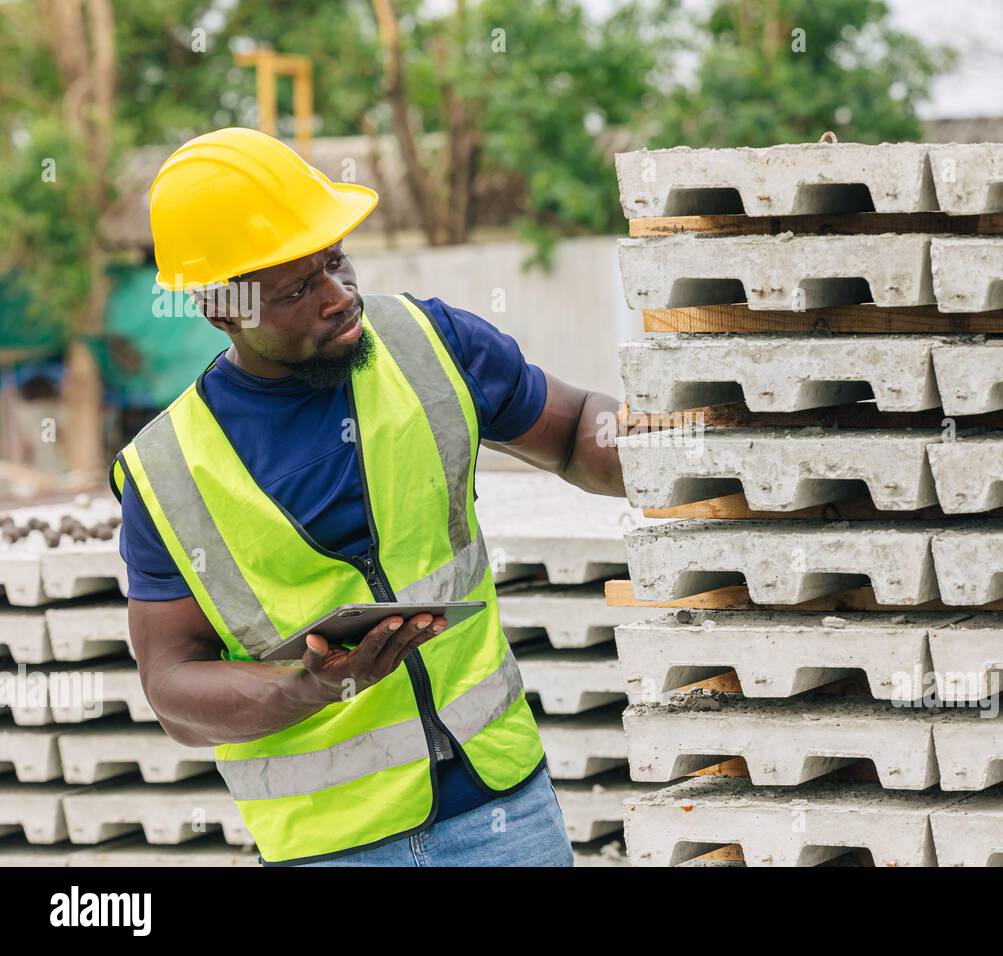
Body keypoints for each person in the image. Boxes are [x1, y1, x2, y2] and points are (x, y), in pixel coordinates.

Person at [111, 127, 627, 866]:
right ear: (221, 310)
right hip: (335, 848)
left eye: (336, 262)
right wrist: (310, 686)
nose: (338, 296)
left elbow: (577, 430)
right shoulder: (166, 473)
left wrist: (684, 440)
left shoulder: (429, 343)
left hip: (508, 807)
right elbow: (172, 687)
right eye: (298, 289)